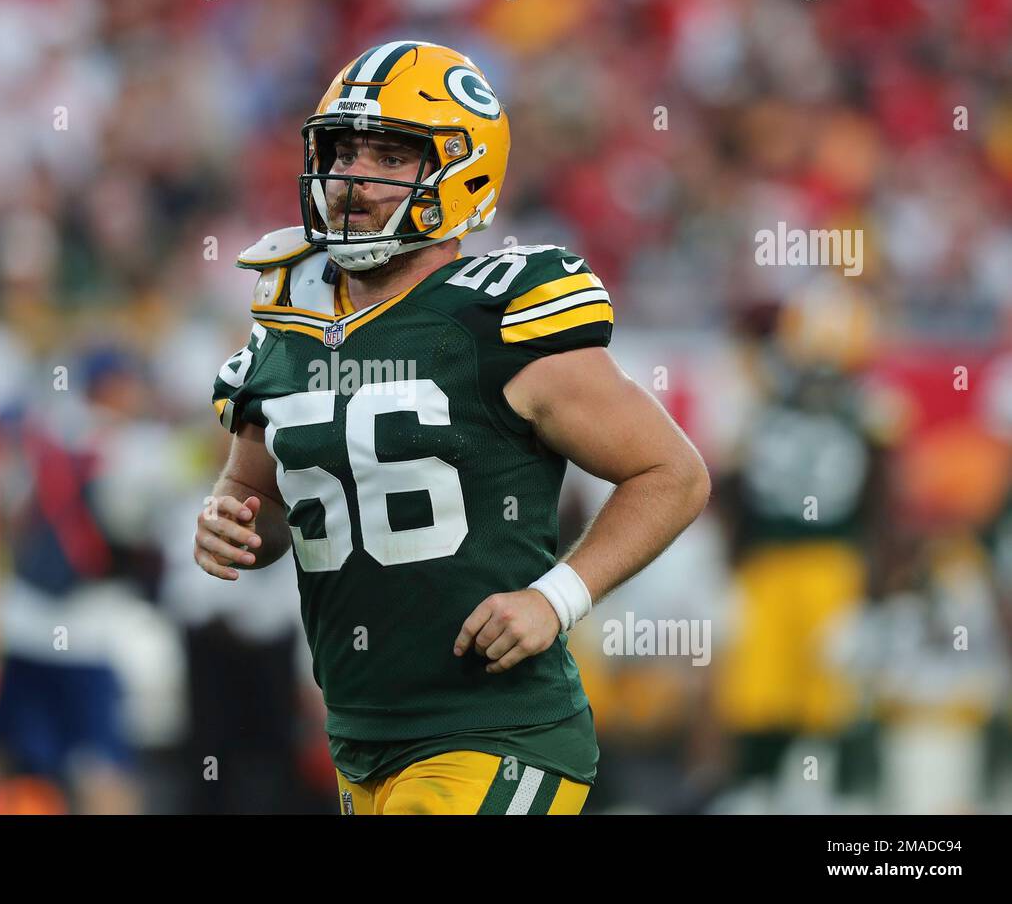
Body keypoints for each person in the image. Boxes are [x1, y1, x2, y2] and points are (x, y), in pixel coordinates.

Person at [194, 41, 710, 815]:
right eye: (344, 152)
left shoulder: (494, 316)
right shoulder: (287, 320)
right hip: (361, 739)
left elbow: (673, 473)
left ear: (458, 171)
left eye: (390, 156)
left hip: (497, 730)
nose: (352, 178)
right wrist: (226, 524)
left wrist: (557, 597)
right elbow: (256, 497)